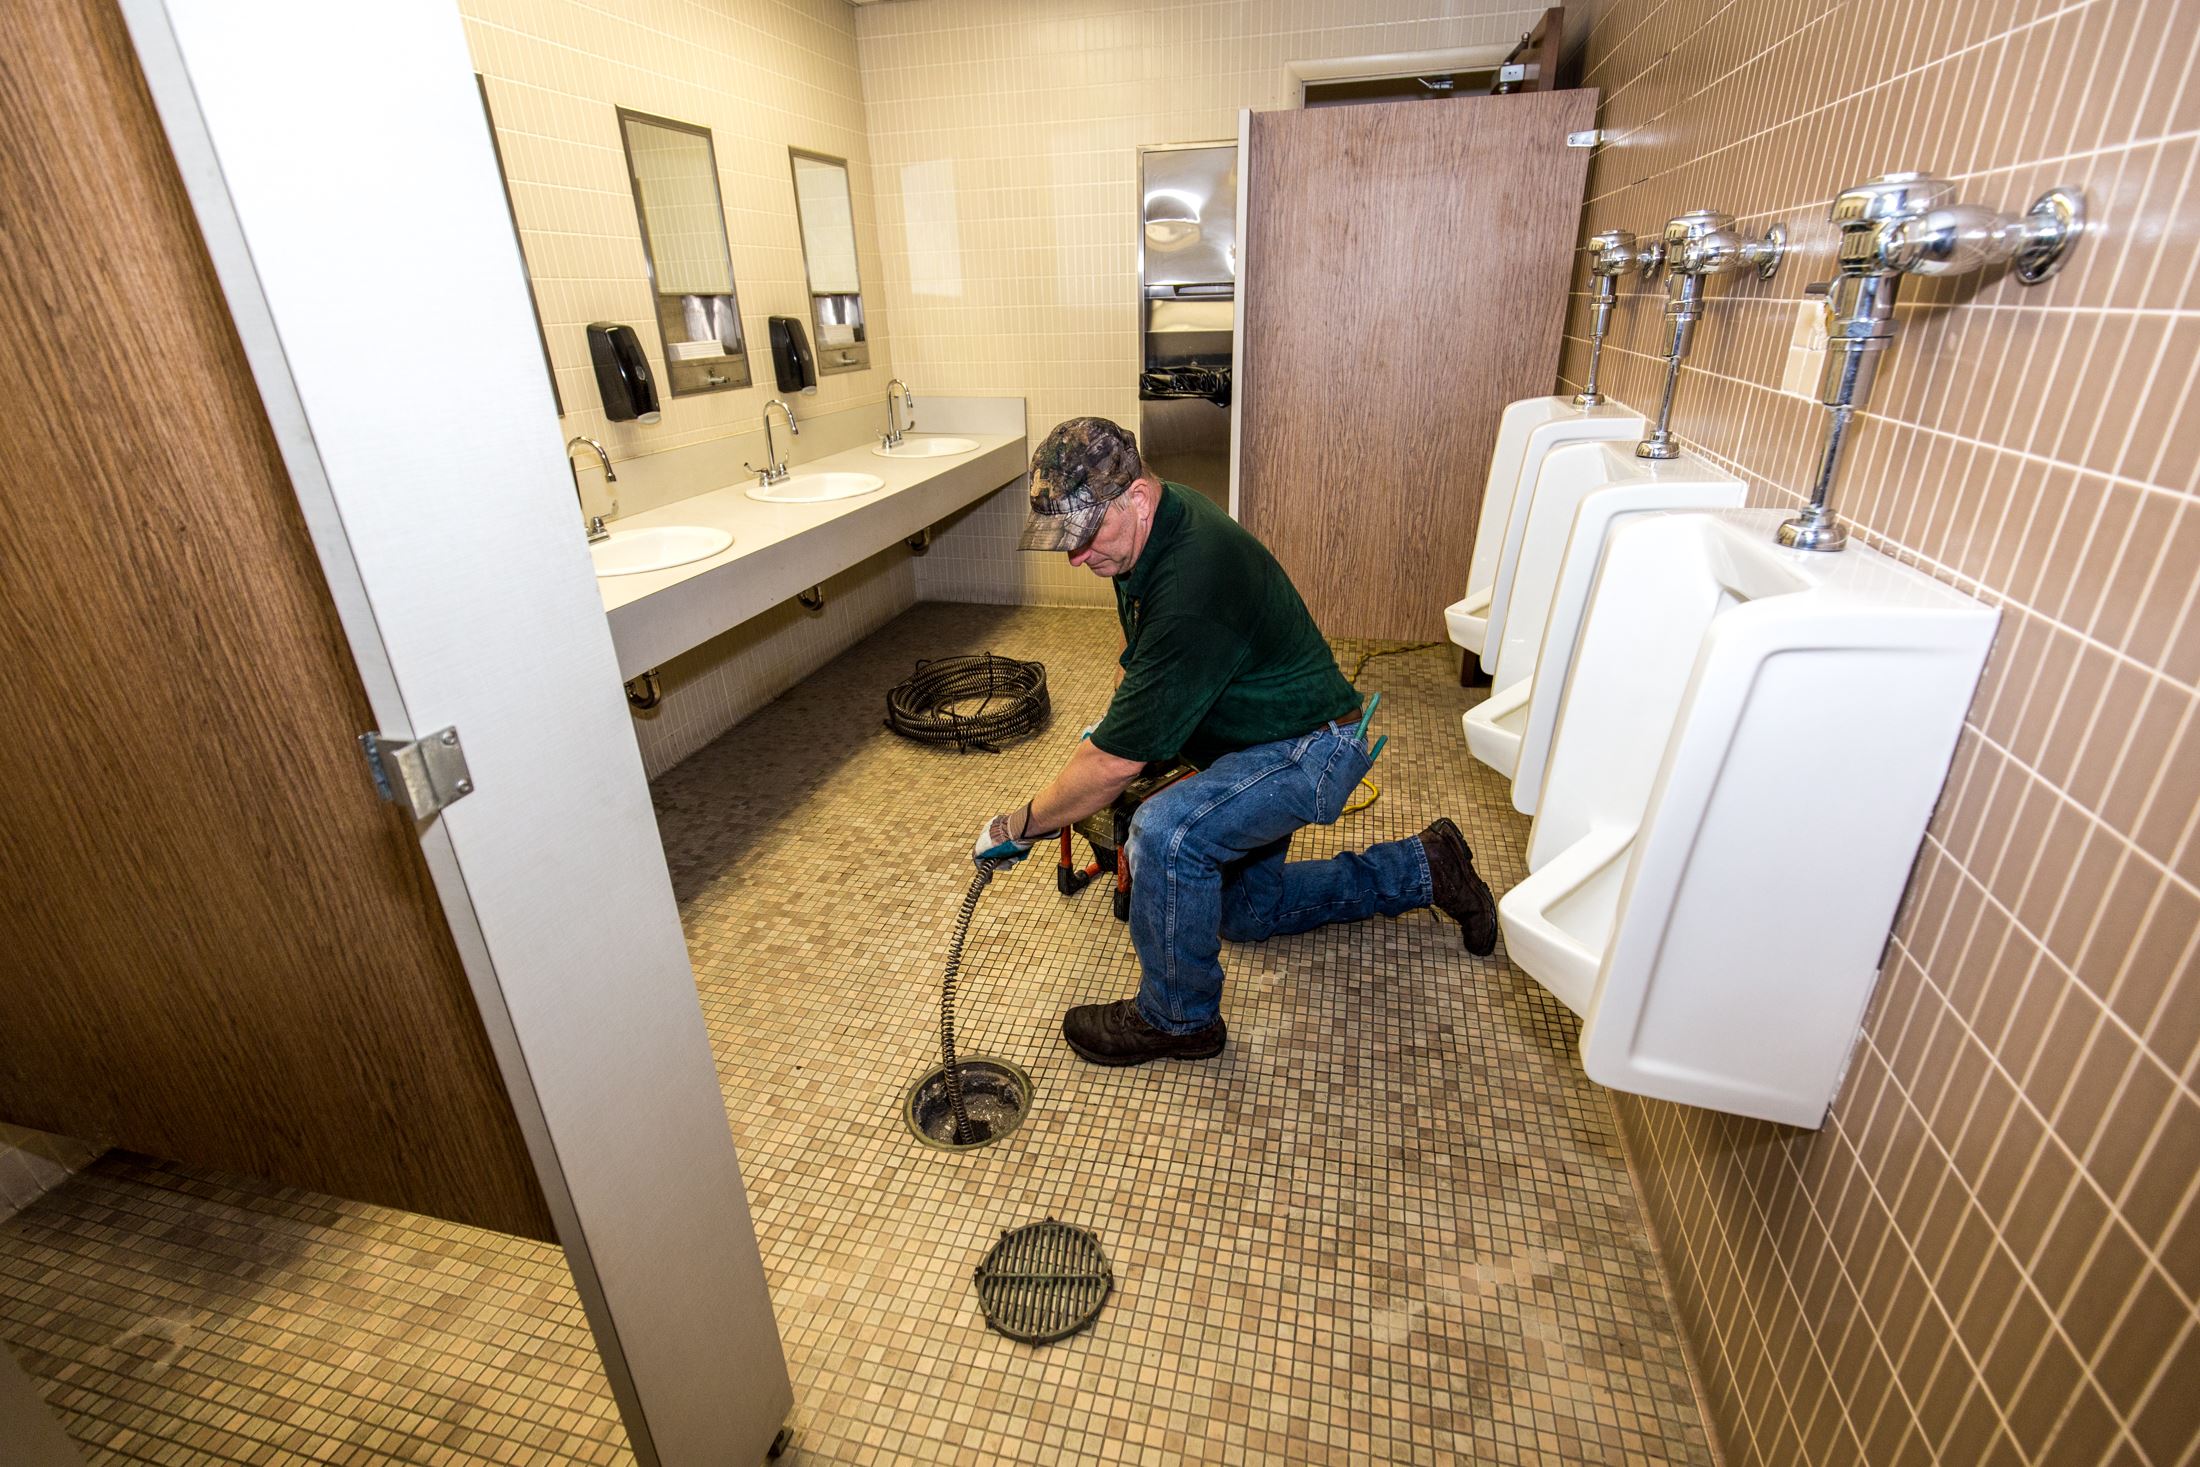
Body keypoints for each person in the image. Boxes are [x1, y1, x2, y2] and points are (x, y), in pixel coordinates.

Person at [973, 417, 1499, 1067]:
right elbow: (1139, 651)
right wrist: (1124, 715)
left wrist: (1019, 824)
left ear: (1135, 499)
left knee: (1166, 834)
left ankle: (1179, 1017)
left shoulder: (1194, 572)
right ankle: (1427, 865)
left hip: (1309, 749)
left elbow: (1112, 765)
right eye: (1066, 543)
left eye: (1084, 537)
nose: (1078, 558)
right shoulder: (1149, 531)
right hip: (1254, 741)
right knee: (1246, 911)